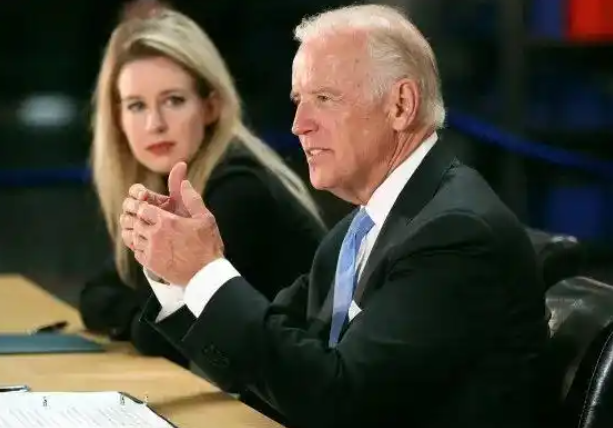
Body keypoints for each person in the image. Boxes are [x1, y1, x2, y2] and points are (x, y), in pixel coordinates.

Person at [121, 4, 549, 428]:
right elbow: (270, 364)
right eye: (298, 101)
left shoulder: (455, 234)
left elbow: (338, 400)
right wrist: (177, 275)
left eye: (323, 99)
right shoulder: (359, 229)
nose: (298, 124)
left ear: (400, 105)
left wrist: (204, 270)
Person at [78, 4, 327, 365]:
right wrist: (140, 312)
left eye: (173, 101)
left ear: (210, 107)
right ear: (117, 117)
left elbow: (162, 336)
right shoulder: (170, 187)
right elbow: (96, 293)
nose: (154, 124)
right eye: (136, 106)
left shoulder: (238, 188)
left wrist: (138, 314)